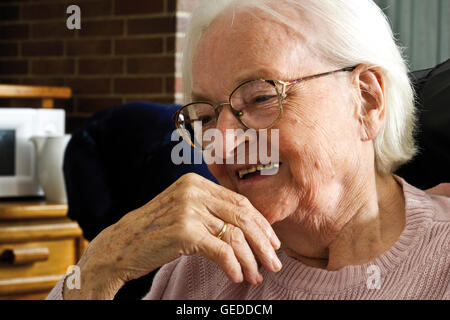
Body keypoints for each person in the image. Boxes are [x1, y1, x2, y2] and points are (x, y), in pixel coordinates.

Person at [47, 0, 450, 300]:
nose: (222, 141)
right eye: (204, 116)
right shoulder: (200, 267)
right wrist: (99, 267)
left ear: (366, 100)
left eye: (259, 98)